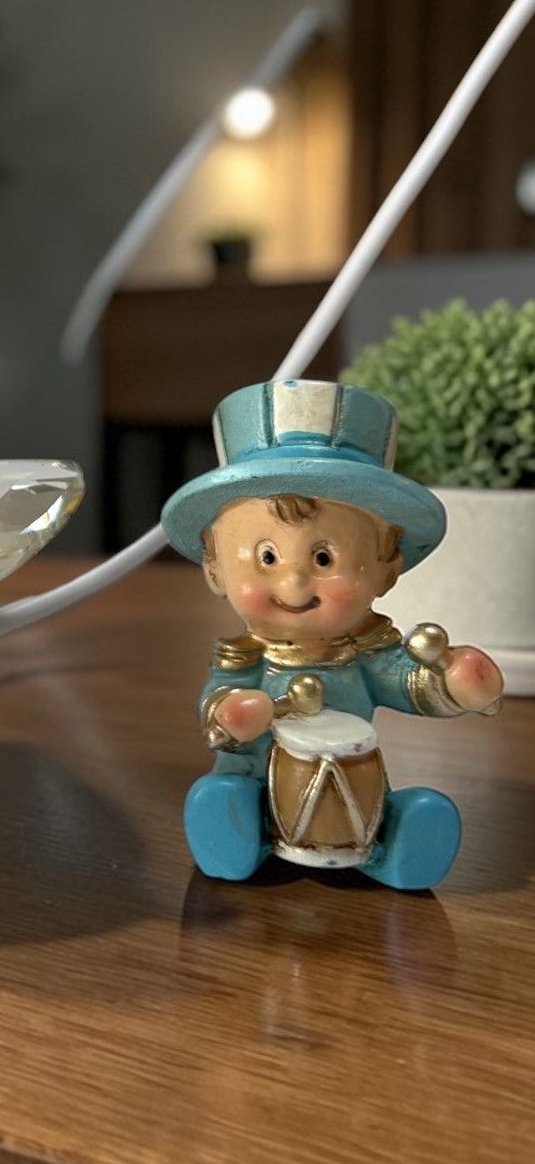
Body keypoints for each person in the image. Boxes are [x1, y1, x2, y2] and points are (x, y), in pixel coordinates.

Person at [161, 379, 502, 889]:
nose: (294, 584)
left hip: (357, 783)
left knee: (409, 804)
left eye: (324, 559)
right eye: (267, 558)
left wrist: (453, 684)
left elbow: (406, 683)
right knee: (226, 794)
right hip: (251, 777)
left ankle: (394, 840)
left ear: (387, 567)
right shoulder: (245, 659)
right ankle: (233, 830)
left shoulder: (367, 653)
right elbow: (217, 703)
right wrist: (232, 713)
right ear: (214, 567)